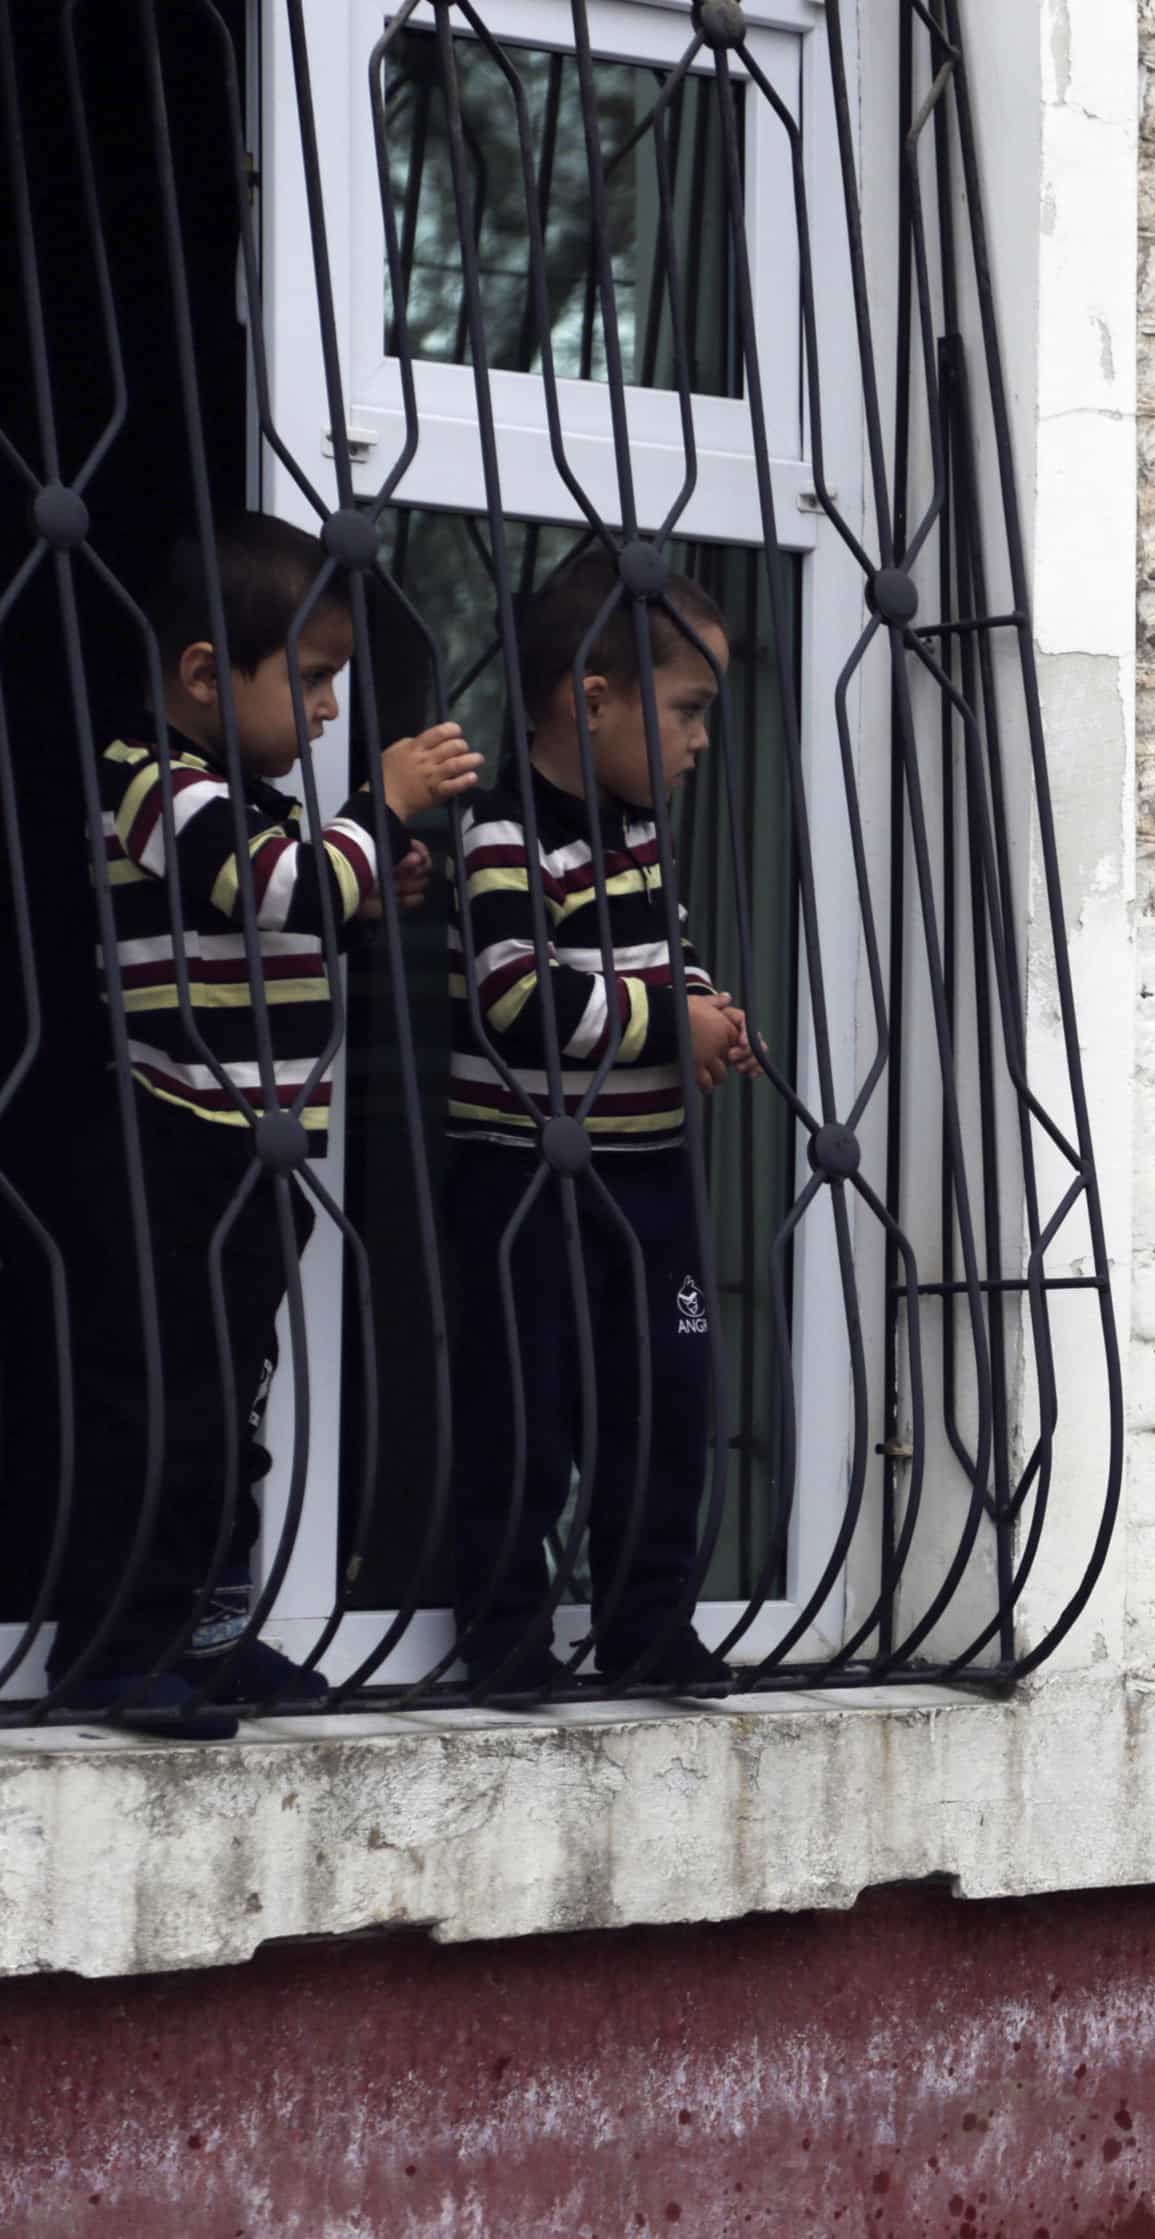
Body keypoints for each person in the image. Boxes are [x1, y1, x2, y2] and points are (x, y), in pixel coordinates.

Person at [54, 513, 480, 1735]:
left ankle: (212, 1634)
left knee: (233, 1413)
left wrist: (368, 872)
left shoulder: (250, 797)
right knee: (163, 1407)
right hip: (171, 1140)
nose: (334, 709)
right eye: (313, 677)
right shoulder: (151, 778)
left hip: (258, 1149)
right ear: (202, 673)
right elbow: (280, 885)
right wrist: (379, 810)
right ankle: (113, 1648)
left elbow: (298, 899)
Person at [441, 546, 758, 1700]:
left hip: (647, 1174)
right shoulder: (500, 835)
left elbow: (656, 962)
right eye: (686, 710)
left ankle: (647, 1625)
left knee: (664, 1403)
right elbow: (517, 995)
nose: (700, 741)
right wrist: (670, 1019)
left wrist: (714, 1011)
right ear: (592, 699)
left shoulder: (637, 836)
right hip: (526, 1179)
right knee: (525, 1412)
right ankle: (505, 1636)